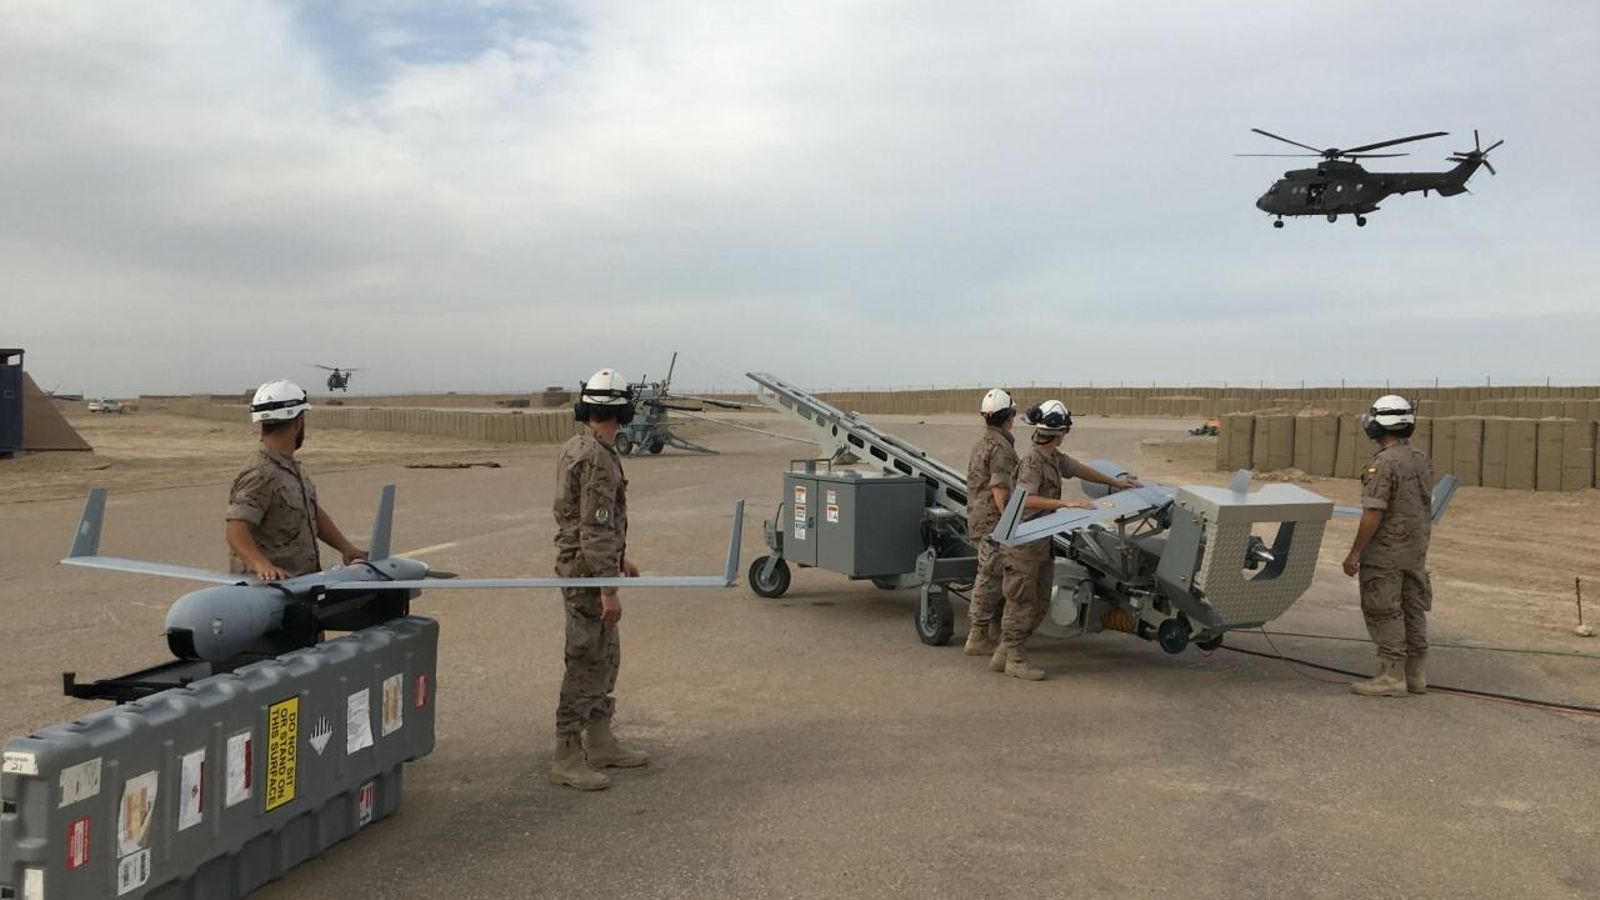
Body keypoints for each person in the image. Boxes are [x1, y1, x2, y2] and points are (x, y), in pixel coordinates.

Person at [549, 367, 648, 790]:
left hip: (592, 568)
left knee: (605, 656)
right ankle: (567, 753)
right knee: (586, 658)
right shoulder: (595, 458)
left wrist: (620, 559)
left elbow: (595, 525)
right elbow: (592, 527)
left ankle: (600, 738)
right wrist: (608, 589)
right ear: (622, 411)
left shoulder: (583, 446)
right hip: (586, 578)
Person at [992, 400, 1139, 681]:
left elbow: (1079, 468)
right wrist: (1067, 503)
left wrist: (1117, 483)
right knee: (1022, 603)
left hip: (1039, 542)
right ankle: (1015, 659)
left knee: (1040, 603)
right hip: (1022, 543)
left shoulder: (1053, 458)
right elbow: (1025, 501)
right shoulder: (1033, 463)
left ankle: (1003, 653)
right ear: (1060, 432)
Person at [225, 380, 366, 581]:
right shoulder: (260, 473)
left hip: (300, 586)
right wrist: (261, 565)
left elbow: (311, 511)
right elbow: (235, 530)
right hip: (269, 595)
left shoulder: (289, 466)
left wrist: (347, 549)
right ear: (298, 421)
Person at [1342, 395, 1434, 697]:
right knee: (1413, 608)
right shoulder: (1420, 458)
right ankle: (1415, 675)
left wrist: (1355, 551)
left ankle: (1392, 676)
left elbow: (1373, 512)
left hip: (1387, 551)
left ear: (1379, 425)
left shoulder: (1383, 463)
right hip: (1415, 549)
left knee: (1383, 608)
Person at [962, 388, 1020, 655]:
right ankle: (977, 635)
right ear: (1010, 416)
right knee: (989, 577)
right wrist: (1012, 525)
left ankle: (993, 629)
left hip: (978, 518)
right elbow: (1000, 492)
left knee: (996, 575)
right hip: (993, 524)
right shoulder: (1001, 448)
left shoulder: (983, 442)